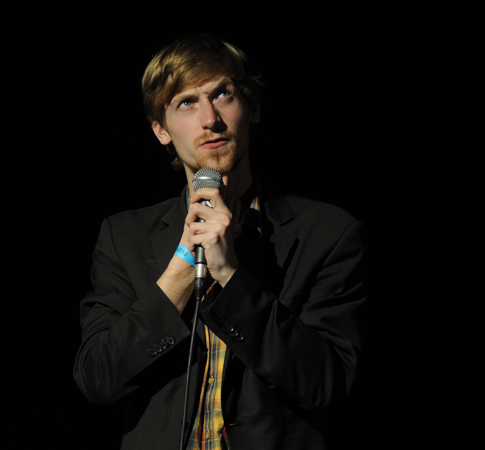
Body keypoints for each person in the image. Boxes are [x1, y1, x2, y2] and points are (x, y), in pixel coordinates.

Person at [73, 34, 366, 449]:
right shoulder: (124, 237)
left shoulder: (330, 233)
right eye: (186, 103)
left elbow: (326, 384)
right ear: (160, 129)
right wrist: (178, 270)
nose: (210, 119)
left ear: (253, 107)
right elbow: (99, 379)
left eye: (223, 94)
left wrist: (230, 275)